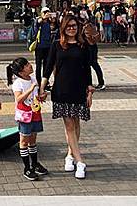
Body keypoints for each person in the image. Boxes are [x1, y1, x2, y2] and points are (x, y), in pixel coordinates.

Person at [40, 16, 94, 180]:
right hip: (61, 90)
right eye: (69, 26)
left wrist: (90, 91)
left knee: (76, 123)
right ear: (63, 28)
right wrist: (42, 88)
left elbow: (87, 69)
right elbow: (48, 67)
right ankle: (80, 161)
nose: (72, 28)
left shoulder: (83, 45)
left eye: (74, 25)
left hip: (79, 90)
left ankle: (70, 154)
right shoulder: (57, 45)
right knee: (69, 125)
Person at [6, 57, 49, 181]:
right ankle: (27, 168)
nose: (30, 65)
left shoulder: (33, 79)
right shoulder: (18, 83)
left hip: (35, 113)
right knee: (24, 141)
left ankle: (34, 164)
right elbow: (19, 99)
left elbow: (35, 96)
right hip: (24, 116)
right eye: (26, 65)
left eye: (28, 63)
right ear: (21, 72)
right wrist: (30, 89)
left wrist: (41, 96)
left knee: (33, 140)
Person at [33, 7, 53, 87]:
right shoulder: (38, 21)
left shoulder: (49, 22)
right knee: (38, 66)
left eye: (48, 12)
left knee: (46, 65)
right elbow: (38, 22)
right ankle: (38, 81)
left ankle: (45, 82)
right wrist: (43, 17)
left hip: (48, 46)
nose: (46, 14)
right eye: (45, 12)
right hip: (39, 47)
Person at [83, 21, 105, 90]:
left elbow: (93, 39)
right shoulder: (86, 26)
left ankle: (100, 83)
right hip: (89, 47)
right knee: (89, 66)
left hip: (91, 48)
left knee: (93, 65)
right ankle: (90, 83)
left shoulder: (89, 27)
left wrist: (86, 32)